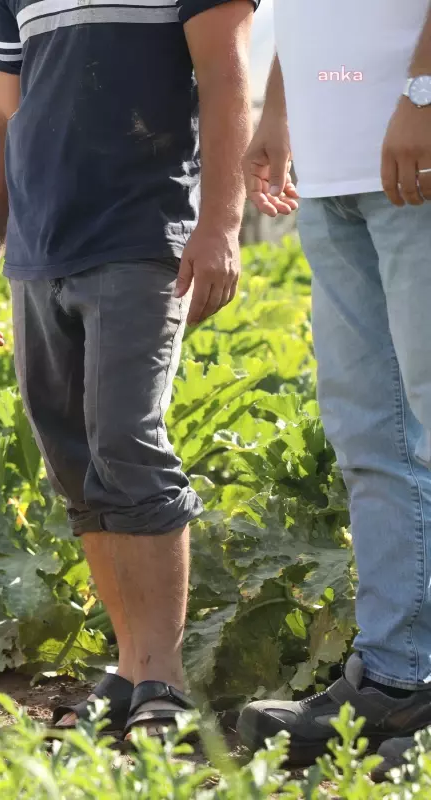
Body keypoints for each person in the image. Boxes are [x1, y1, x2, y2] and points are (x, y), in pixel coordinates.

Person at [0, 0, 260, 742]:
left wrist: (220, 223)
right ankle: (129, 670)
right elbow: (2, 117)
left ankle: (163, 676)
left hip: (139, 232)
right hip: (38, 248)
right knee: (73, 460)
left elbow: (224, 73)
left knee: (127, 440)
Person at [235, 1, 431, 771]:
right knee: (368, 432)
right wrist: (280, 110)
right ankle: (396, 677)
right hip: (332, 178)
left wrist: (423, 91)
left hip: (415, 157)